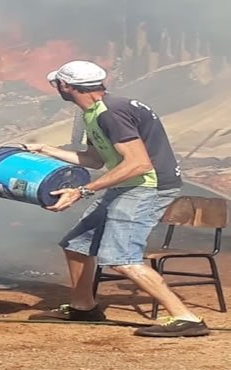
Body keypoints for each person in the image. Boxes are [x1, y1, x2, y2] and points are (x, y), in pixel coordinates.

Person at [24, 59, 209, 337]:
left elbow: (139, 163)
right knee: (77, 245)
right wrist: (45, 149)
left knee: (122, 258)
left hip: (146, 186)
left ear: (67, 86)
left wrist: (82, 191)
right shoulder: (94, 111)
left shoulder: (111, 113)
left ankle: (186, 318)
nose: (56, 87)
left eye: (57, 83)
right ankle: (83, 307)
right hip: (129, 183)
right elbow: (95, 160)